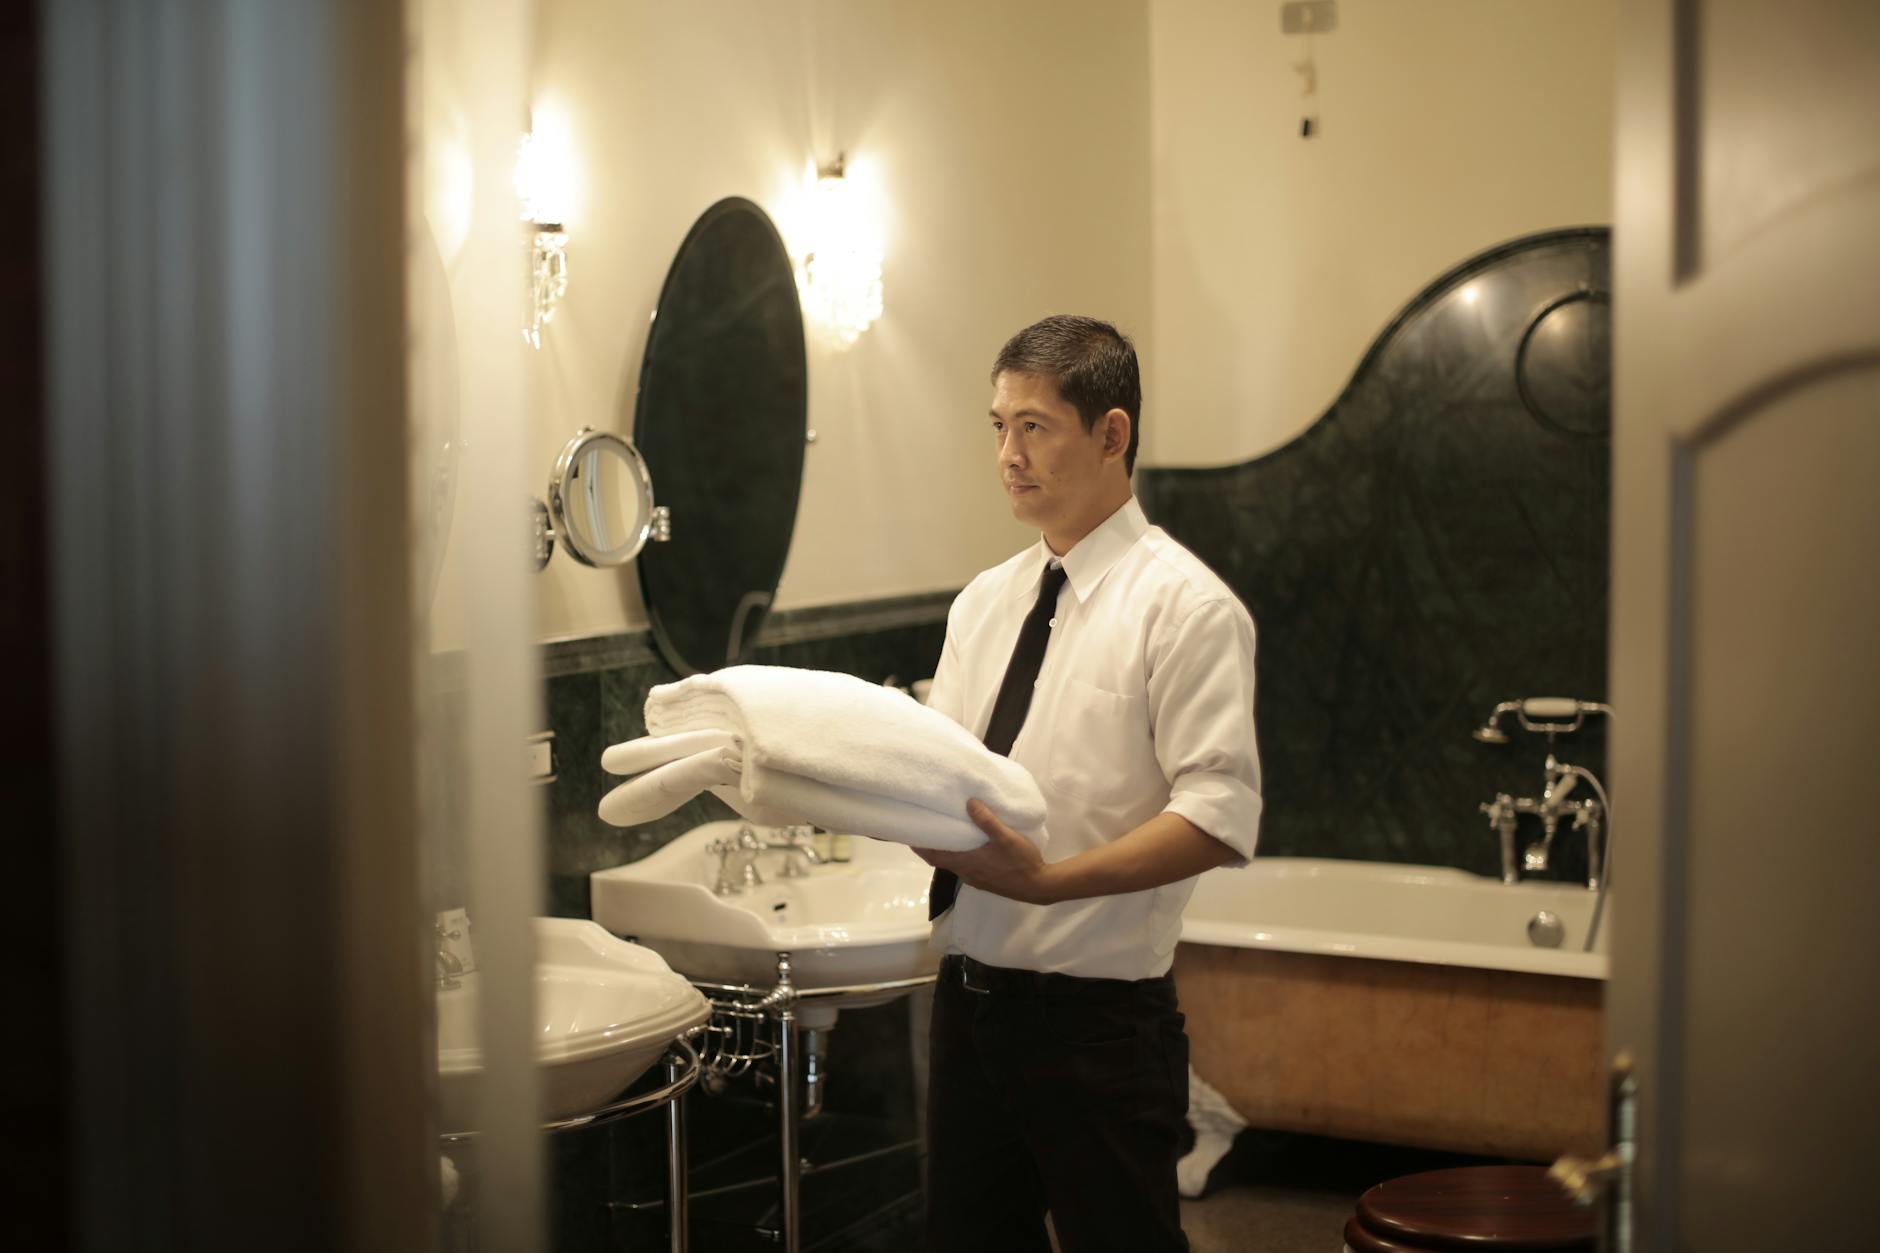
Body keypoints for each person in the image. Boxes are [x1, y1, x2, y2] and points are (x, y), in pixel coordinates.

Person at [917, 315, 1262, 1252]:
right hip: (967, 1005)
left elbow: (1218, 815)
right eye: (997, 426)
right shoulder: (985, 601)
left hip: (1098, 1025)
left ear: (1112, 434)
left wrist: (1050, 882)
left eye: (1034, 427)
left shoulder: (1188, 609)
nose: (1008, 455)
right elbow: (940, 771)